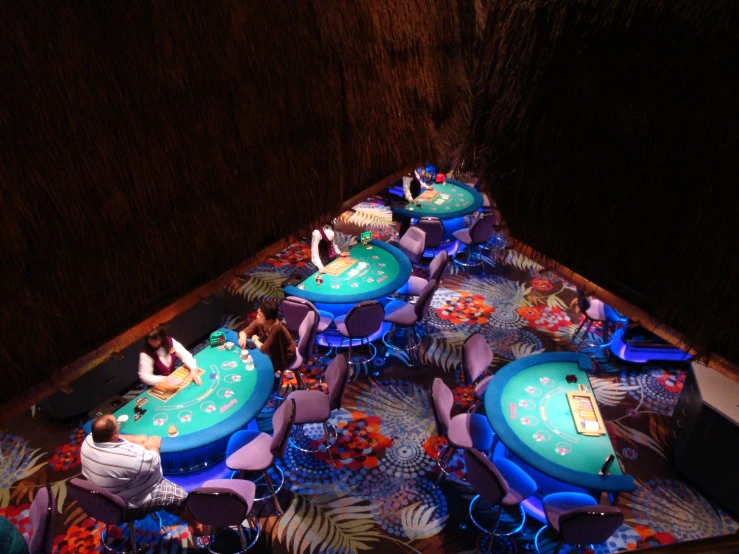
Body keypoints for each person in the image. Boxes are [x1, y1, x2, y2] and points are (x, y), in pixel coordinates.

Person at [80, 414, 205, 535]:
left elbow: (114, 439)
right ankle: (196, 526)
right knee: (179, 496)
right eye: (117, 425)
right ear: (114, 434)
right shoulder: (128, 458)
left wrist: (134, 439)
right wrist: (153, 446)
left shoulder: (89, 440)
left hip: (102, 499)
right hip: (127, 505)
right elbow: (154, 463)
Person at [238, 299, 296, 374]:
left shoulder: (277, 329)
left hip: (284, 356)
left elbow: (263, 348)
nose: (257, 316)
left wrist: (255, 339)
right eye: (258, 313)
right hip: (270, 350)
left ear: (270, 319)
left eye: (260, 315)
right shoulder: (261, 321)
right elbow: (244, 331)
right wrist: (243, 336)